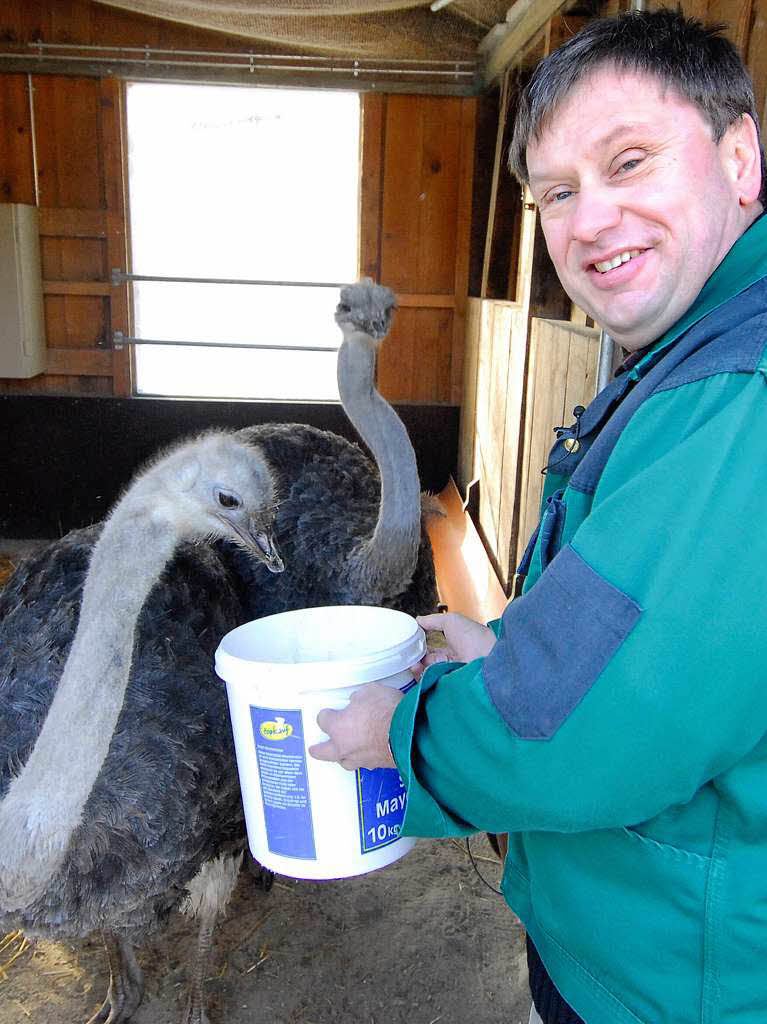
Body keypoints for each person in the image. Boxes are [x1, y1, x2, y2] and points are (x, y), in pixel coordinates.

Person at [310, 8, 767, 1023]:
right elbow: (637, 621)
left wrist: (403, 731)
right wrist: (500, 643)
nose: (588, 220)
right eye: (556, 193)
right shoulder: (692, 353)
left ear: (739, 159)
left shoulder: (739, 391)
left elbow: (586, 734)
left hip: (679, 986)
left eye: (629, 161)